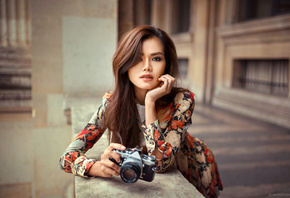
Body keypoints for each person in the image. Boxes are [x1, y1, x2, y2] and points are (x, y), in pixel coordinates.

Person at [59, 25, 223, 197]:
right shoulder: (112, 102)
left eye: (156, 59)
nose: (146, 67)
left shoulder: (182, 100)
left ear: (166, 65)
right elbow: (67, 157)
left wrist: (150, 101)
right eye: (137, 58)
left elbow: (160, 163)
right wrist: (95, 167)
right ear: (125, 64)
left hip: (192, 163)